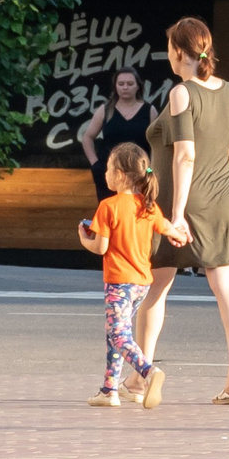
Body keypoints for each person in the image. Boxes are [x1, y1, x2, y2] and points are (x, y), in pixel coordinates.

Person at [137, 17, 229, 405]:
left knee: (157, 286)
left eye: (170, 47)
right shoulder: (228, 91)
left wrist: (175, 215)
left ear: (178, 51)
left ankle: (140, 377)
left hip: (180, 203)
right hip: (223, 200)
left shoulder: (181, 93)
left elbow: (185, 155)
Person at [76, 142, 168, 410]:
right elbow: (165, 227)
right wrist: (179, 234)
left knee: (119, 335)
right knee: (114, 333)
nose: (105, 174)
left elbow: (100, 247)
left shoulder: (108, 206)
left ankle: (148, 372)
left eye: (108, 168)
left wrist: (84, 239)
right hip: (141, 282)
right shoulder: (148, 205)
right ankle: (109, 390)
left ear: (120, 175)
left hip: (118, 282)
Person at [77, 68, 153, 203]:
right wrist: (95, 164)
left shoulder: (149, 111)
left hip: (140, 174)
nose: (125, 87)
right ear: (115, 86)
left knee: (139, 211)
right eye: (121, 84)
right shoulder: (105, 110)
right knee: (110, 212)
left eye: (130, 84)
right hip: (109, 173)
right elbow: (87, 137)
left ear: (138, 86)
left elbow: (157, 142)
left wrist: (152, 166)